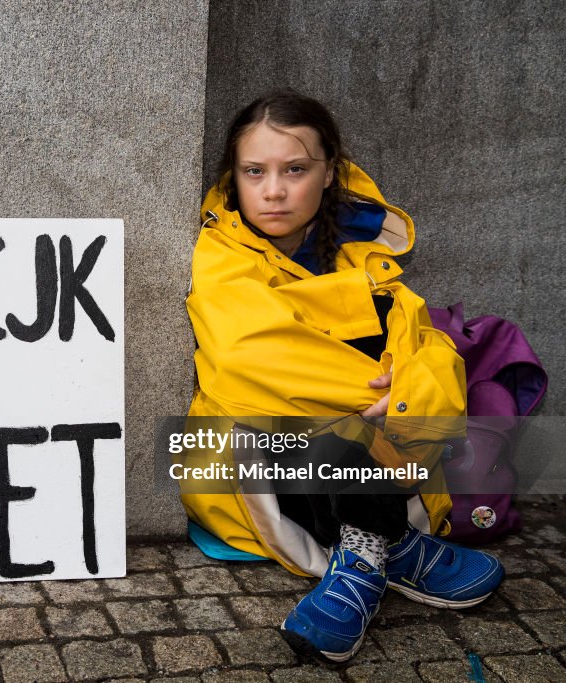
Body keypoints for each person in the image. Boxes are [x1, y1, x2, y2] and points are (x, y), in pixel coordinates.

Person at [182, 89, 504, 662]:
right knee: (321, 428)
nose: (274, 190)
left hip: (375, 454)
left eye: (296, 169)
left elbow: (429, 350)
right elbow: (244, 358)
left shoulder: (364, 252)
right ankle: (390, 548)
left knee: (375, 394)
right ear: (233, 178)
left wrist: (407, 394)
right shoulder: (223, 253)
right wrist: (376, 399)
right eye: (254, 171)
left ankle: (365, 557)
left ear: (330, 172)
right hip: (263, 458)